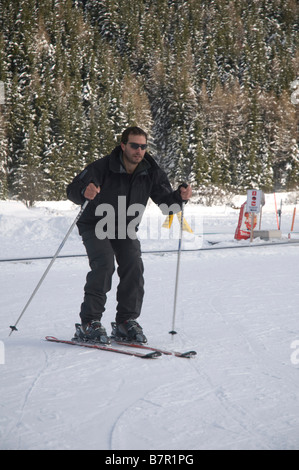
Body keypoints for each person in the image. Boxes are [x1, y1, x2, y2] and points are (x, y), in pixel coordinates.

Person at [67, 126, 192, 344]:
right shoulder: (102, 167)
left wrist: (180, 198)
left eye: (143, 147)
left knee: (134, 264)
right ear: (123, 145)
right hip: (96, 223)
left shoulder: (150, 170)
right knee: (105, 264)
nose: (139, 151)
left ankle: (126, 322)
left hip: (124, 227)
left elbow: (167, 205)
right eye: (134, 146)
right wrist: (83, 192)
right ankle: (89, 323)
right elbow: (72, 190)